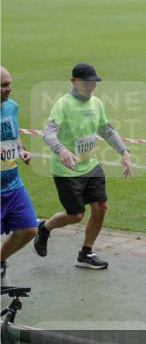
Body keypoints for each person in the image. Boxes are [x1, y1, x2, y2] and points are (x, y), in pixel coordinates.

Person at [34, 63, 133, 269]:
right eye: (86, 82)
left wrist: (124, 152)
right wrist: (61, 150)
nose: (90, 87)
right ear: (73, 82)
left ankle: (86, 253)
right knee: (75, 215)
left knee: (101, 207)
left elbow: (106, 130)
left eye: (93, 83)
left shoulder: (96, 103)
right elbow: (48, 133)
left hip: (91, 165)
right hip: (67, 170)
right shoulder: (63, 104)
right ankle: (44, 228)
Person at [1, 66, 38, 282]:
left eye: (10, 84)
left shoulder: (11, 107)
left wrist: (21, 150)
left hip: (12, 184)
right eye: (4, 86)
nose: (10, 89)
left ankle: (1, 260)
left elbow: (14, 135)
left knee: (29, 229)